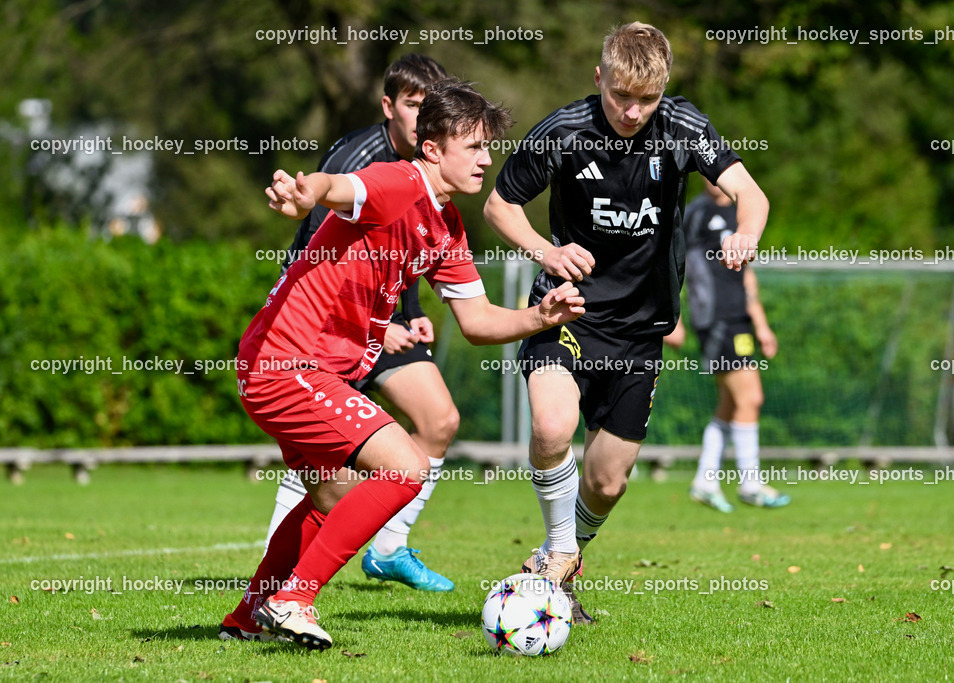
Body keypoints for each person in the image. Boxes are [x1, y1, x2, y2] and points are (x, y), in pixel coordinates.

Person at [220, 80, 585, 651]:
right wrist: (304, 193)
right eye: (474, 147)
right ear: (433, 148)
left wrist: (541, 316)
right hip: (285, 363)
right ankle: (294, 600)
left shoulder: (446, 225)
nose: (487, 159)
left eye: (489, 146)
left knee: (330, 495)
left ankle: (248, 614)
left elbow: (479, 321)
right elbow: (335, 186)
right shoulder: (398, 182)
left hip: (297, 366)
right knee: (406, 467)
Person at [482, 22, 769, 623]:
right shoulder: (564, 131)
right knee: (553, 424)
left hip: (641, 330)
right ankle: (560, 549)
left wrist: (745, 233)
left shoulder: (684, 126)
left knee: (608, 482)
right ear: (599, 78)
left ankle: (559, 560)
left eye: (647, 99)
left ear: (665, 90)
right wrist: (547, 252)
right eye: (620, 96)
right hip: (567, 311)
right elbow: (499, 205)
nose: (633, 111)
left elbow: (751, 193)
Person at [261, 54, 460, 596]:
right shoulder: (363, 160)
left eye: (433, 109)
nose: (425, 121)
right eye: (416, 107)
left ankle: (389, 548)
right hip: (324, 328)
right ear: (388, 106)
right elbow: (320, 255)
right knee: (327, 462)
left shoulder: (428, 173)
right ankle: (282, 577)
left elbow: (402, 249)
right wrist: (379, 323)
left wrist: (412, 313)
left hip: (380, 323)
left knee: (439, 419)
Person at [664, 178, 788, 512]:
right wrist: (671, 318)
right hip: (715, 321)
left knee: (731, 404)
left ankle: (705, 480)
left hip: (739, 319)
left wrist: (761, 324)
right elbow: (668, 263)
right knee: (751, 397)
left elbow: (746, 274)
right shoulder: (694, 214)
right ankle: (750, 483)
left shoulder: (738, 214)